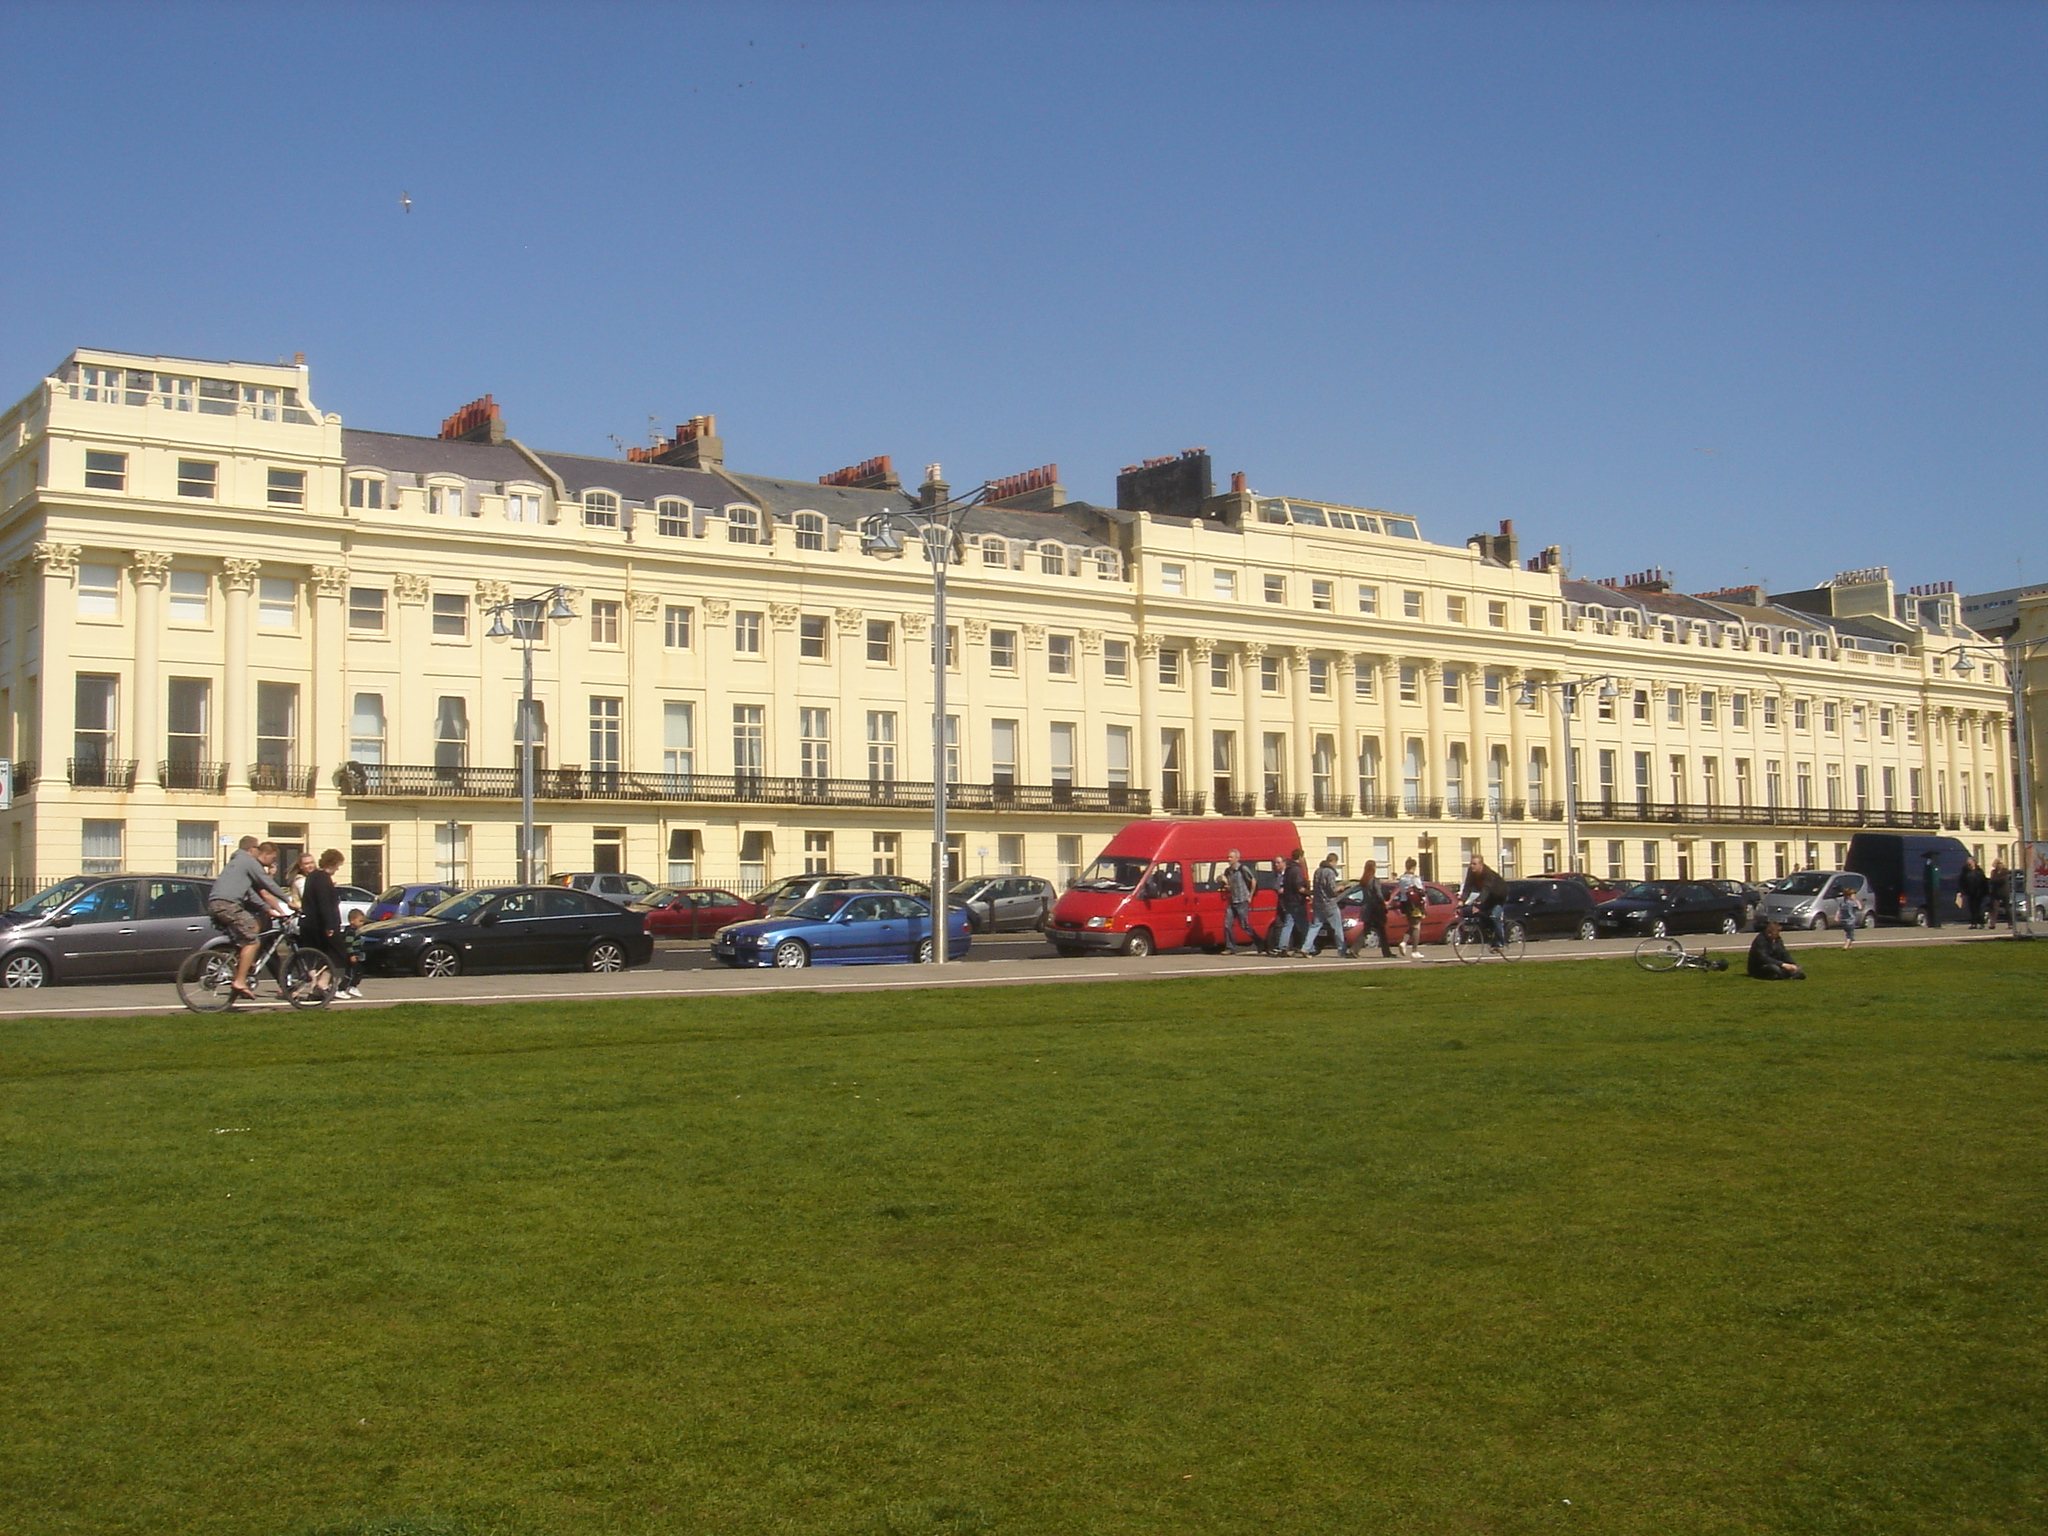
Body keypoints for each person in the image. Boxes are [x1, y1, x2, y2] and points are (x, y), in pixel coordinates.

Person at [207, 837, 295, 1001]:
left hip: (216, 904)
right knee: (253, 941)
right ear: (252, 849)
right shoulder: (248, 861)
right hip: (228, 905)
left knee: (248, 937)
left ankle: (245, 967)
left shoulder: (236, 864)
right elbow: (267, 885)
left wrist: (268, 909)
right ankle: (240, 981)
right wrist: (289, 901)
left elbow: (251, 894)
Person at [299, 848, 352, 997]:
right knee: (338, 954)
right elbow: (324, 904)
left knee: (317, 956)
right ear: (333, 863)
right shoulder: (323, 878)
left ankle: (314, 988)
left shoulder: (313, 876)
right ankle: (322, 984)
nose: (337, 869)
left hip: (310, 924)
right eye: (338, 866)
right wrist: (329, 925)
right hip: (323, 924)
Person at [1302, 852, 1351, 958]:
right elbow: (1332, 890)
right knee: (1337, 927)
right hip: (1329, 904)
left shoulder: (1317, 871)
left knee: (1315, 926)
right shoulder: (1329, 872)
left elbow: (1315, 888)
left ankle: (1306, 947)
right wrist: (1340, 888)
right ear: (1333, 861)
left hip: (1317, 903)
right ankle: (1341, 950)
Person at [1459, 854, 1510, 947]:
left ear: (1481, 864)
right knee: (1480, 915)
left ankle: (1500, 943)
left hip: (1499, 897)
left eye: (1474, 864)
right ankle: (1489, 934)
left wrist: (1479, 902)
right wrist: (1462, 900)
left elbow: (1486, 889)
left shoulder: (1488, 874)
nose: (1472, 866)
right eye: (1471, 863)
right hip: (1488, 897)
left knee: (1495, 916)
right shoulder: (1471, 872)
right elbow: (1468, 887)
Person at [1273, 849, 1312, 957]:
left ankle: (1282, 947)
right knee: (1304, 925)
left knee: (1288, 924)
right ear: (1300, 856)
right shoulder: (1296, 870)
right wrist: (1310, 893)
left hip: (1288, 900)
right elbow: (1299, 887)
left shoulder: (1288, 870)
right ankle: (1309, 947)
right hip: (1297, 901)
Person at [1220, 849, 1259, 956]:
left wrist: (1250, 896)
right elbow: (1229, 885)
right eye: (1228, 857)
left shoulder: (1242, 869)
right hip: (1232, 901)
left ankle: (1260, 943)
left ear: (1237, 858)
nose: (1229, 859)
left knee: (1244, 925)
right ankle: (1230, 947)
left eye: (1231, 857)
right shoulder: (1228, 871)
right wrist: (1226, 885)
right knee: (1227, 924)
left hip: (1242, 900)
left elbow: (1253, 881)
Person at [1355, 859, 1394, 959]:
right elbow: (1378, 893)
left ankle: (1354, 949)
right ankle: (1386, 952)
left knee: (1366, 929)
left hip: (1367, 907)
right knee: (1381, 929)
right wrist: (1384, 902)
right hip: (1376, 908)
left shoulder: (1364, 880)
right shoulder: (1374, 880)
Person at [1393, 858, 1427, 958]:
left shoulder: (1402, 879)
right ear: (1414, 867)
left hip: (1405, 903)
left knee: (1412, 925)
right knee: (1416, 926)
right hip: (1414, 904)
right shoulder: (1414, 878)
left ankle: (1404, 942)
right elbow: (1421, 891)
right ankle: (1414, 950)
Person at [1959, 856, 1990, 929]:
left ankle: (1980, 922)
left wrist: (1986, 892)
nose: (1968, 865)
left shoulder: (1979, 871)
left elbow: (1984, 882)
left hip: (1979, 893)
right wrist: (1961, 891)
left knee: (1978, 908)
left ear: (1974, 863)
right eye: (1967, 864)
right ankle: (1974, 923)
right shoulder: (1965, 871)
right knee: (1972, 908)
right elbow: (1962, 882)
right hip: (1970, 892)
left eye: (1970, 863)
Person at [1838, 879, 1863, 950]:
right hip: (1850, 920)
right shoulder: (1852, 903)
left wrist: (1837, 917)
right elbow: (1860, 908)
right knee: (1850, 934)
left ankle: (1850, 945)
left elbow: (1839, 910)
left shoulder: (1843, 902)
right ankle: (1846, 946)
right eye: (1853, 895)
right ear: (1849, 896)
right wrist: (1857, 901)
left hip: (1843, 920)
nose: (1854, 896)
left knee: (1848, 932)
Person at [1922, 850, 1943, 928]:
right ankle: (1932, 922)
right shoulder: (1928, 865)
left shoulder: (1933, 865)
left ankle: (1936, 923)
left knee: (1935, 904)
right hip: (1930, 888)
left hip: (1934, 889)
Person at [1988, 859, 2011, 926]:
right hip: (1995, 893)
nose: (1999, 865)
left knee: (2007, 908)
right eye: (1997, 863)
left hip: (2004, 892)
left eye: (2000, 863)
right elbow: (1991, 880)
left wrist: (1995, 880)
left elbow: (2002, 880)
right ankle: (1993, 923)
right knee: (1994, 908)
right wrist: (1994, 881)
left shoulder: (2005, 872)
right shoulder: (1993, 872)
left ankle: (2010, 923)